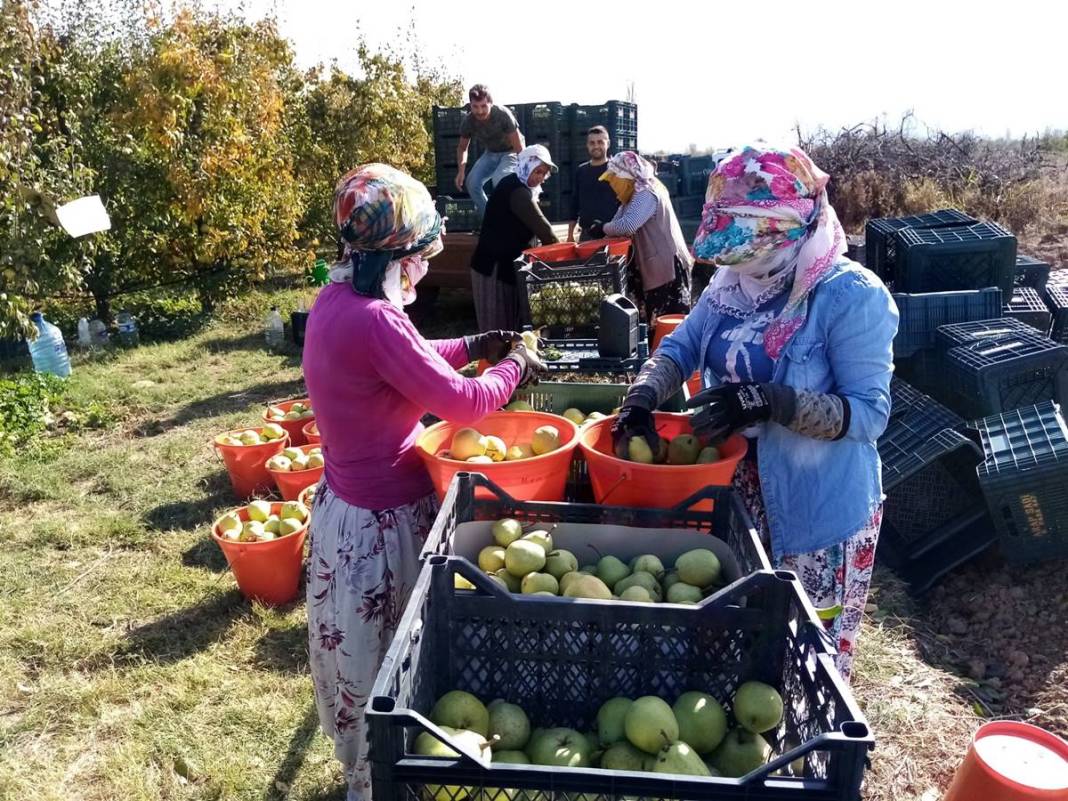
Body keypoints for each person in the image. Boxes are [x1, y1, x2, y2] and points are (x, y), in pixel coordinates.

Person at [611, 144, 898, 682]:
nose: (740, 261)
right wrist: (642, 397)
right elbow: (681, 349)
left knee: (804, 649)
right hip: (740, 491)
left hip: (816, 510)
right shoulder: (728, 285)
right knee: (746, 630)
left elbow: (868, 415)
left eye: (750, 246)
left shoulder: (849, 297)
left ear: (791, 228)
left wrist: (775, 401)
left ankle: (801, 740)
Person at [302, 164, 544, 801]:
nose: (423, 269)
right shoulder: (375, 319)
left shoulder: (338, 303)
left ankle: (377, 774)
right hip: (381, 531)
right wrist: (515, 363)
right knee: (391, 666)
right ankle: (386, 782)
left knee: (363, 662)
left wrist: (474, 341)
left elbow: (407, 357)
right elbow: (464, 405)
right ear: (400, 255)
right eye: (419, 257)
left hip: (345, 518)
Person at [587, 151, 693, 324]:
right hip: (651, 267)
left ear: (626, 175)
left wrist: (603, 227)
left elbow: (627, 225)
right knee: (650, 324)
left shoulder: (647, 191)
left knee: (665, 323)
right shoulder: (631, 196)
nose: (612, 185)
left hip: (666, 268)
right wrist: (601, 232)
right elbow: (617, 224)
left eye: (614, 179)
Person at [470, 144, 560, 332]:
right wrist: (564, 254)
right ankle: (495, 361)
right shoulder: (517, 190)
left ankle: (502, 360)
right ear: (526, 164)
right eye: (537, 171)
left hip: (504, 266)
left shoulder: (519, 185)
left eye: (544, 174)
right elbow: (545, 231)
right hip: (494, 269)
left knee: (510, 329)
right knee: (498, 330)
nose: (540, 177)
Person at [455, 84, 524, 220]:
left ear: (491, 104)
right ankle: (491, 220)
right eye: (475, 107)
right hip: (491, 153)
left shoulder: (503, 115)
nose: (480, 111)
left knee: (500, 179)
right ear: (470, 105)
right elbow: (462, 148)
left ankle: (510, 220)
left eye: (483, 106)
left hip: (511, 151)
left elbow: (518, 146)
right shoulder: (468, 121)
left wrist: (524, 168)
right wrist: (461, 171)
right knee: (471, 182)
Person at [566, 125, 620, 242]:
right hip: (586, 235)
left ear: (608, 143)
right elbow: (574, 204)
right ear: (587, 145)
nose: (596, 146)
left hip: (612, 234)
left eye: (600, 142)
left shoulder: (617, 170)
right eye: (592, 143)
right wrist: (570, 234)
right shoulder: (581, 171)